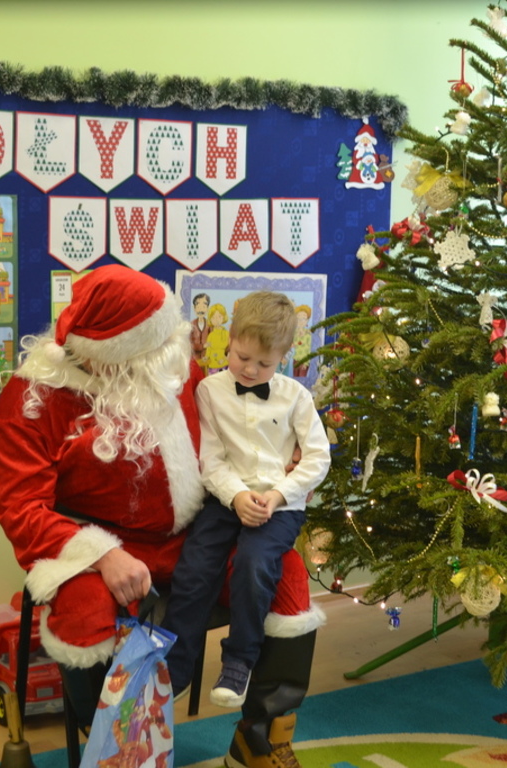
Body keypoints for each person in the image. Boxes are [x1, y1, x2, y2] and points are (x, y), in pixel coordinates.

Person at [0, 265, 325, 768]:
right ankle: (114, 747)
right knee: (85, 608)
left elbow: (238, 430)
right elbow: (21, 510)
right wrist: (102, 555)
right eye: (160, 340)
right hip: (93, 543)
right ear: (116, 351)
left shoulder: (167, 366)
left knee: (287, 575)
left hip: (195, 532)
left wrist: (287, 462)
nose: (178, 347)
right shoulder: (34, 399)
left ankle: (259, 737)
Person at [163, 291, 331, 711]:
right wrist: (237, 495)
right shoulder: (209, 391)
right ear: (230, 340)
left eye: (265, 364)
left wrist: (277, 494)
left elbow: (318, 458)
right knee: (195, 567)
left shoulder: (296, 397)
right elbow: (210, 458)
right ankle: (176, 668)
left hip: (279, 505)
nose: (252, 370)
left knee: (255, 564)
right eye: (242, 357)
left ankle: (239, 661)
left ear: (284, 357)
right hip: (225, 499)